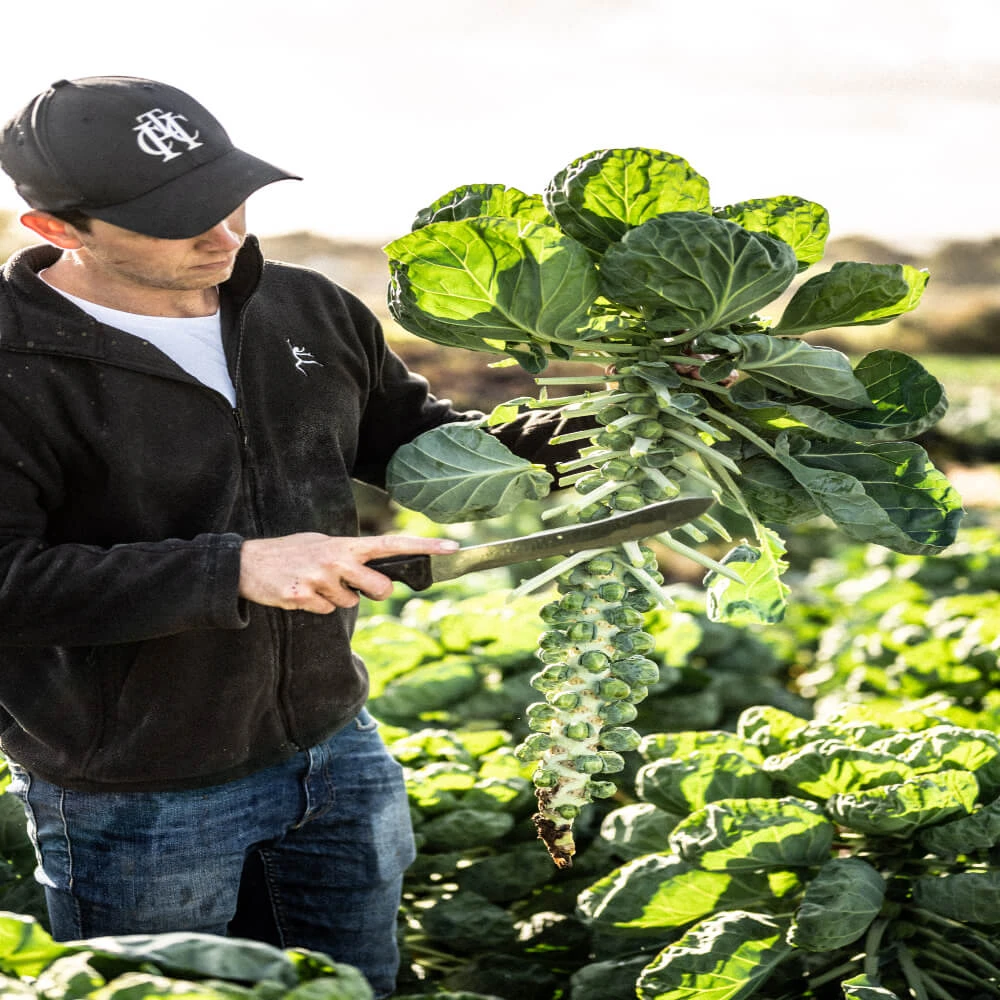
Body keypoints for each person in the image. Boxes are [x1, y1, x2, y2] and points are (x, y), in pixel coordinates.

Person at [0, 76, 570, 998]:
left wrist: (587, 436)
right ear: (58, 230)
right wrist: (235, 570)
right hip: (138, 789)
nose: (223, 235)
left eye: (227, 199)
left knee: (354, 984)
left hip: (335, 742)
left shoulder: (305, 309)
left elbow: (414, 444)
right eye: (173, 219)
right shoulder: (13, 362)